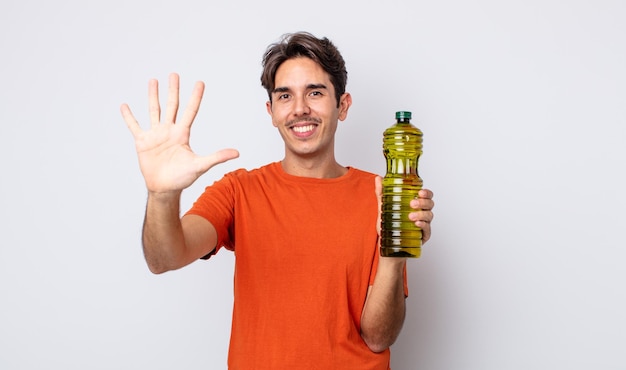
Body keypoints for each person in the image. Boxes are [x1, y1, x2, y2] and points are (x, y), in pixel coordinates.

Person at [121, 32, 434, 370]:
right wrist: (162, 195)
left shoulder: (382, 195)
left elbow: (377, 337)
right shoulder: (239, 191)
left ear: (342, 105)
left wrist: (394, 252)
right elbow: (164, 258)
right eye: (285, 96)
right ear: (271, 111)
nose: (300, 109)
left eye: (315, 92)